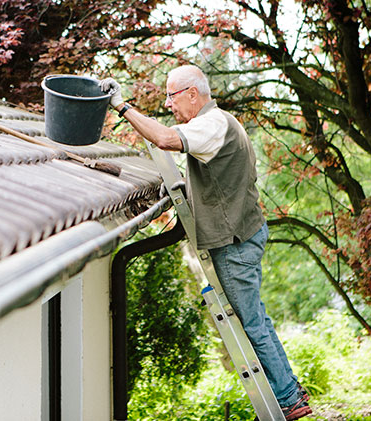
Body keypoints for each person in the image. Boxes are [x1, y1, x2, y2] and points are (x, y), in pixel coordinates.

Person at [100, 66, 312, 420]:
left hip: (233, 243)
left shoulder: (211, 125)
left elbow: (167, 139)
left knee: (251, 324)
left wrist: (122, 106)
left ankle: (288, 399)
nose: (169, 104)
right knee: (257, 319)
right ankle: (290, 390)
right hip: (244, 234)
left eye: (172, 96)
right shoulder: (222, 121)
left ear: (193, 94)